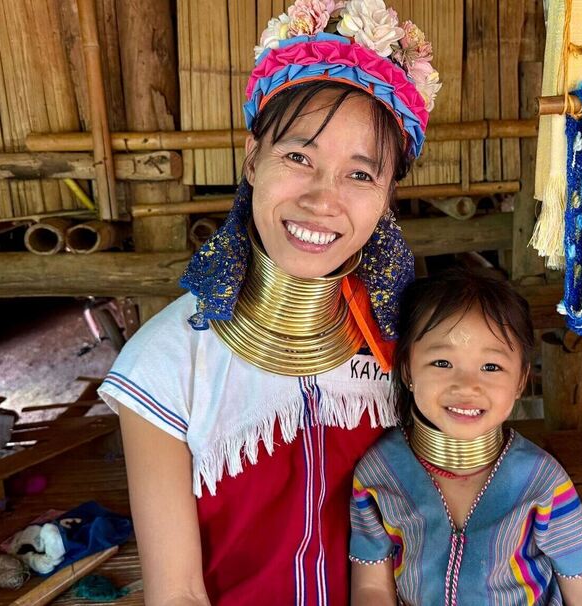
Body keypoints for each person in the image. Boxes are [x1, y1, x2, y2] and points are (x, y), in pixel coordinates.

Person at [97, 1, 439, 603]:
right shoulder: (167, 365)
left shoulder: (409, 340)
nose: (322, 200)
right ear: (253, 158)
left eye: (360, 175)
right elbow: (177, 594)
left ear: (387, 195)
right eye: (298, 157)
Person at [349, 269, 582, 606]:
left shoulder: (542, 481)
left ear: (520, 381)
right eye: (442, 362)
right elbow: (371, 588)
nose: (466, 386)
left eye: (491, 367)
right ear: (407, 370)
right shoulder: (380, 473)